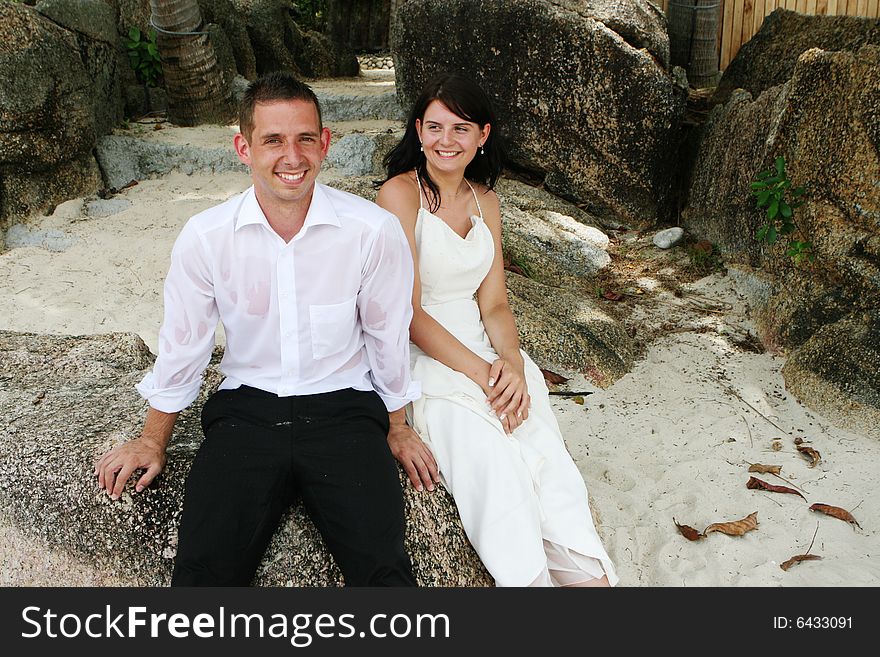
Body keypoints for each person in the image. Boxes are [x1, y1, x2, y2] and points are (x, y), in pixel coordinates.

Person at [94, 72, 420, 587]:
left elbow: (387, 335)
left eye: (305, 138)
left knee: (385, 572)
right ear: (243, 148)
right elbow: (185, 345)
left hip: (344, 413)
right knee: (202, 573)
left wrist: (398, 425)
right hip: (247, 414)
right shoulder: (205, 237)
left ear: (325, 143)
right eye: (273, 140)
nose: (292, 156)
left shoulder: (371, 231)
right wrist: (152, 440)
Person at [375, 73, 618, 587]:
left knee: (545, 462)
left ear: (482, 135)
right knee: (492, 465)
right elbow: (408, 313)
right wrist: (484, 373)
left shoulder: (486, 200)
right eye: (435, 127)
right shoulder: (399, 196)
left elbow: (495, 303)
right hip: (429, 359)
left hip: (488, 352)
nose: (446, 141)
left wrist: (511, 362)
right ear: (418, 130)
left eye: (460, 129)